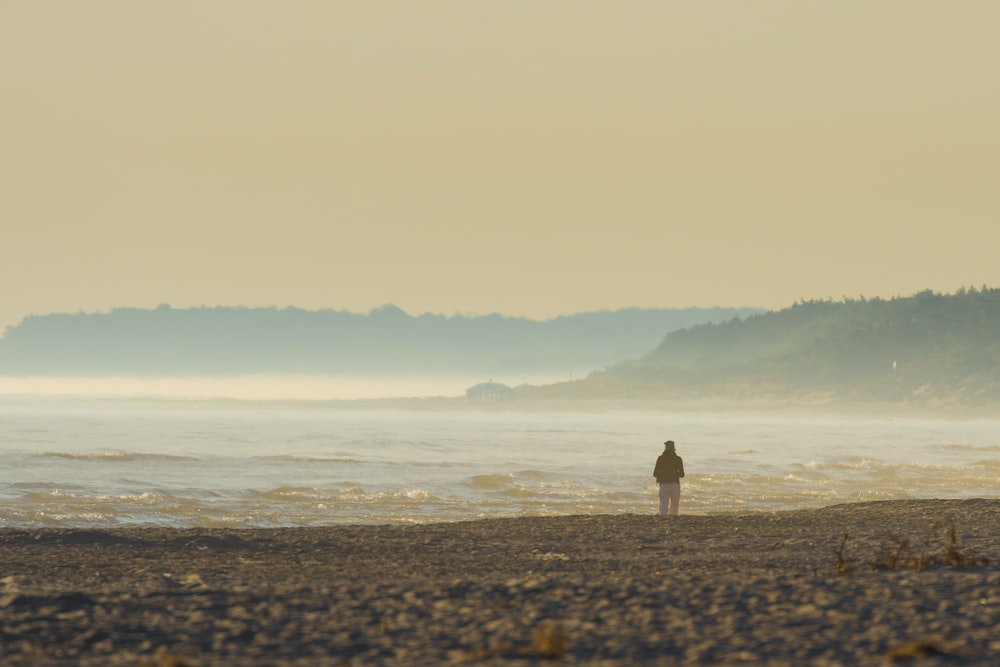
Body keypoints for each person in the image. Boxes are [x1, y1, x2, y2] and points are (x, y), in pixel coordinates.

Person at [653, 440, 685, 516]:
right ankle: (673, 521)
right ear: (674, 449)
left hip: (663, 485)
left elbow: (655, 474)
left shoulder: (660, 458)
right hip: (675, 485)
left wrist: (662, 475)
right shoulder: (678, 459)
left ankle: (663, 520)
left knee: (663, 506)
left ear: (665, 448)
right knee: (674, 507)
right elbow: (682, 474)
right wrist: (674, 474)